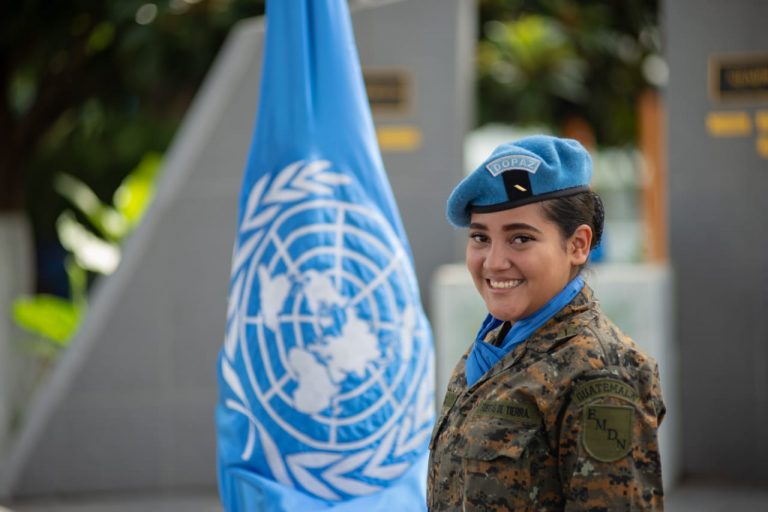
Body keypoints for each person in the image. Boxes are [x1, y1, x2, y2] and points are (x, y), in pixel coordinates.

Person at [427, 135, 665, 511]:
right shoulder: (496, 343)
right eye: (480, 237)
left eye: (520, 238)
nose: (493, 262)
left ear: (578, 245)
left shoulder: (600, 372)